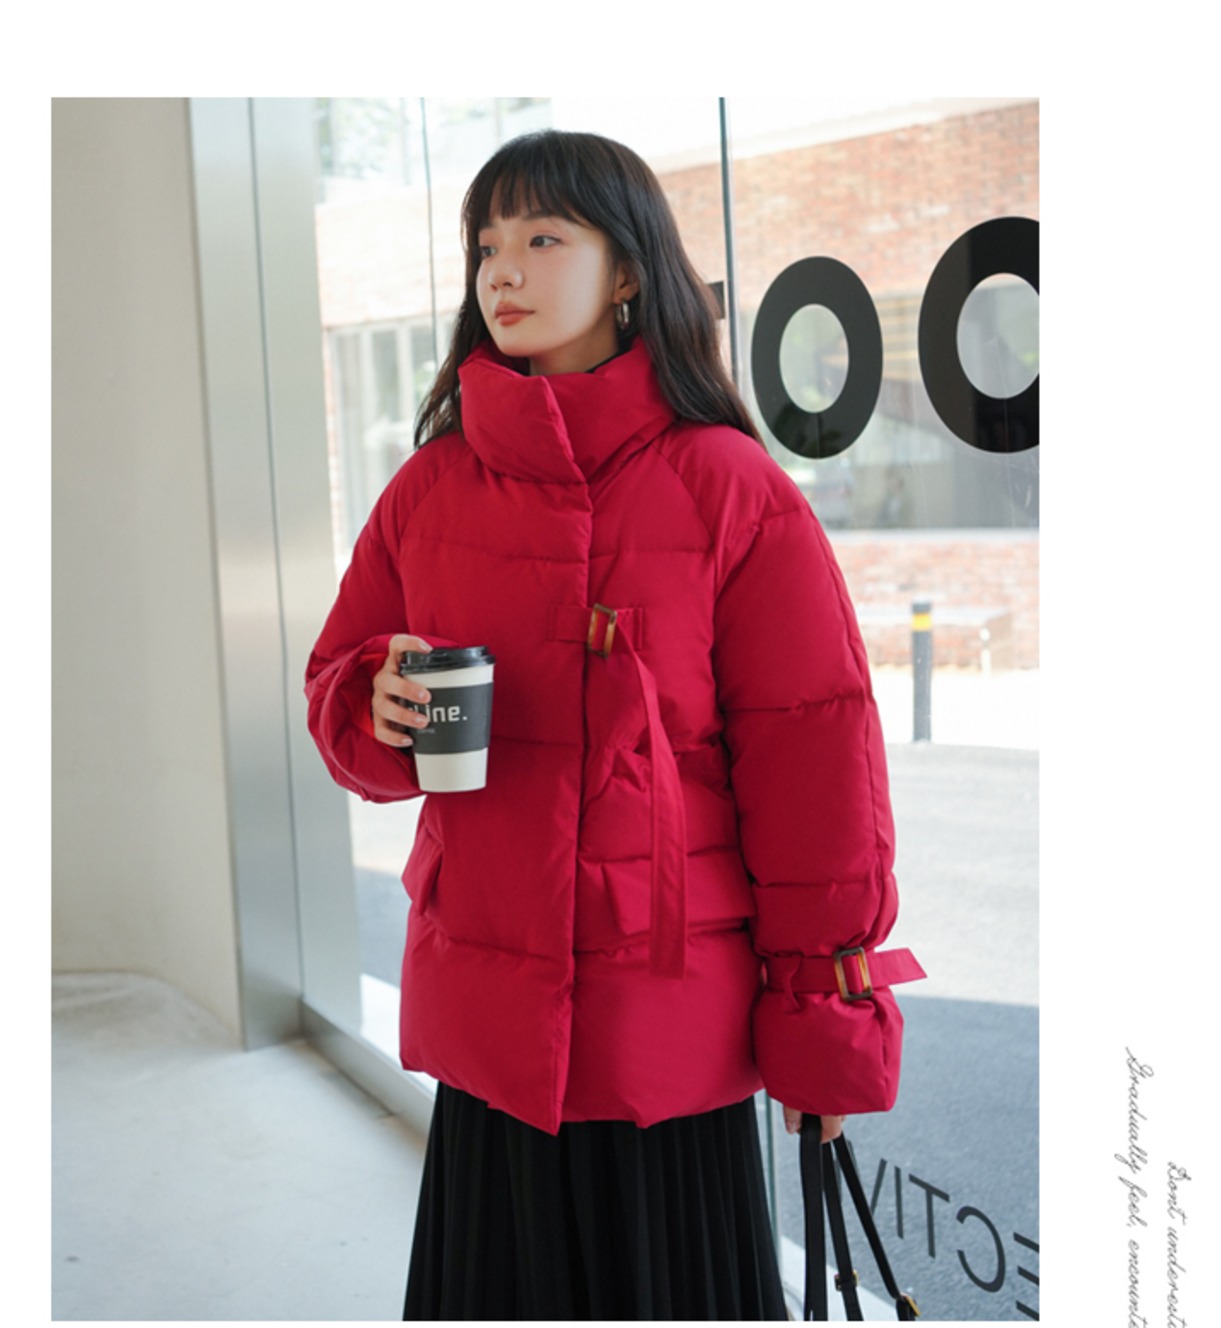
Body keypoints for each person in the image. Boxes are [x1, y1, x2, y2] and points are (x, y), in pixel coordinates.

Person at [305, 129, 923, 1321]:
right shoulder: (429, 489)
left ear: (628, 269)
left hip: (665, 1028)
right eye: (487, 243)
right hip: (490, 1018)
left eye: (542, 237)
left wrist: (823, 1024)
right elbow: (339, 684)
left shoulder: (728, 488)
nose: (502, 270)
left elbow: (817, 773)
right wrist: (371, 700)